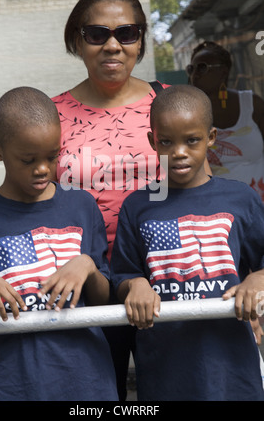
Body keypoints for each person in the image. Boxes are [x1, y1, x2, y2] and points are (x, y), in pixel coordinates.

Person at [52, 0, 169, 400]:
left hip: (168, 279)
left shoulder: (169, 104)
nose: (113, 45)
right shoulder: (52, 115)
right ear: (77, 40)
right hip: (85, 286)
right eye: (97, 34)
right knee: (97, 397)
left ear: (140, 39)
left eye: (127, 33)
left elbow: (205, 192)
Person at [110, 85, 264, 401]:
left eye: (191, 140)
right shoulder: (138, 206)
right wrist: (136, 285)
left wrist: (258, 278)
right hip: (165, 370)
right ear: (153, 141)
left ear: (211, 137)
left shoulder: (241, 199)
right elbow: (122, 276)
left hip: (232, 369)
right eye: (166, 141)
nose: (178, 151)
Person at [0, 86, 118, 401]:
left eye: (52, 156)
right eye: (28, 159)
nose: (43, 169)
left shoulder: (81, 206)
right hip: (13, 384)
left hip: (88, 382)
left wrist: (87, 266)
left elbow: (103, 302)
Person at [187, 40, 264, 202]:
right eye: (191, 69)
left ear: (223, 72)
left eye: (202, 67)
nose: (195, 74)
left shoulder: (252, 104)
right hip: (217, 210)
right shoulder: (187, 115)